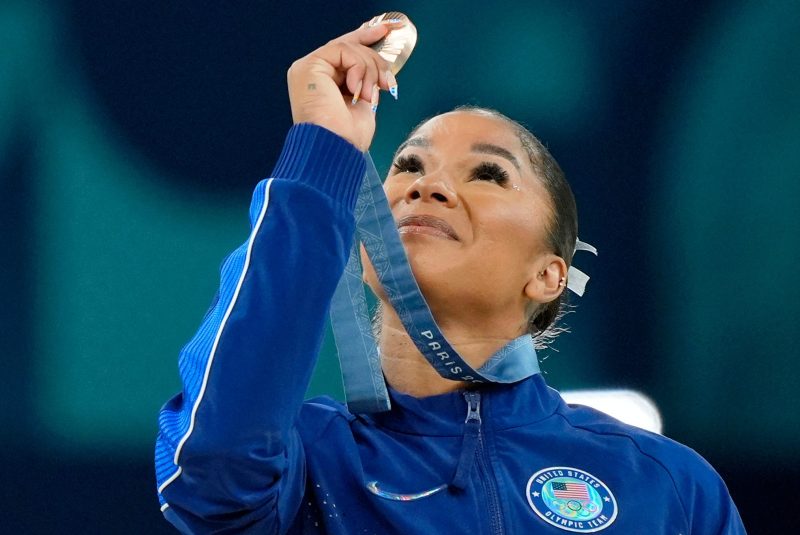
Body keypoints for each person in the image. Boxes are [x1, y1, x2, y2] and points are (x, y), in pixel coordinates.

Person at [154, 19, 746, 534]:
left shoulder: (666, 485)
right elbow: (213, 471)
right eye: (408, 164)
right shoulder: (306, 462)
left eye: (488, 174)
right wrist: (323, 150)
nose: (426, 186)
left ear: (549, 276)